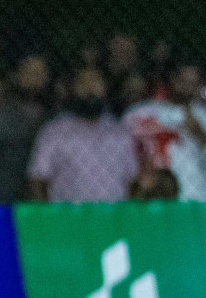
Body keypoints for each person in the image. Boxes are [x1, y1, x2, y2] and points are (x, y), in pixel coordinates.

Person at [26, 68, 136, 202]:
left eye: (95, 82)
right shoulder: (54, 130)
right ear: (73, 88)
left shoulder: (120, 131)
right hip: (68, 217)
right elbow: (38, 179)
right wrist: (44, 218)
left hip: (112, 217)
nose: (90, 89)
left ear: (105, 88)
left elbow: (131, 180)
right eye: (83, 82)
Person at [0, 51, 51, 203]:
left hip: (42, 209)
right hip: (1, 204)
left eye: (39, 73)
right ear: (17, 76)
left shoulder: (55, 121)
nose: (34, 79)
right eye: (29, 72)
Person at [124, 59, 206, 202]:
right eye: (183, 81)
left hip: (195, 197)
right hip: (152, 197)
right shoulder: (142, 112)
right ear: (173, 80)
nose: (187, 87)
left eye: (193, 83)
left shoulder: (202, 115)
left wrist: (200, 135)